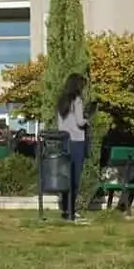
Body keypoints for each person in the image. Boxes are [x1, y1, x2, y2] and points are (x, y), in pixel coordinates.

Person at [54, 72, 91, 221]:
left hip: (64, 140)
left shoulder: (61, 101)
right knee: (75, 178)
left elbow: (60, 123)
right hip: (76, 141)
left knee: (65, 177)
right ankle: (71, 210)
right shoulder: (77, 100)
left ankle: (65, 209)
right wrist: (87, 120)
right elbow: (79, 121)